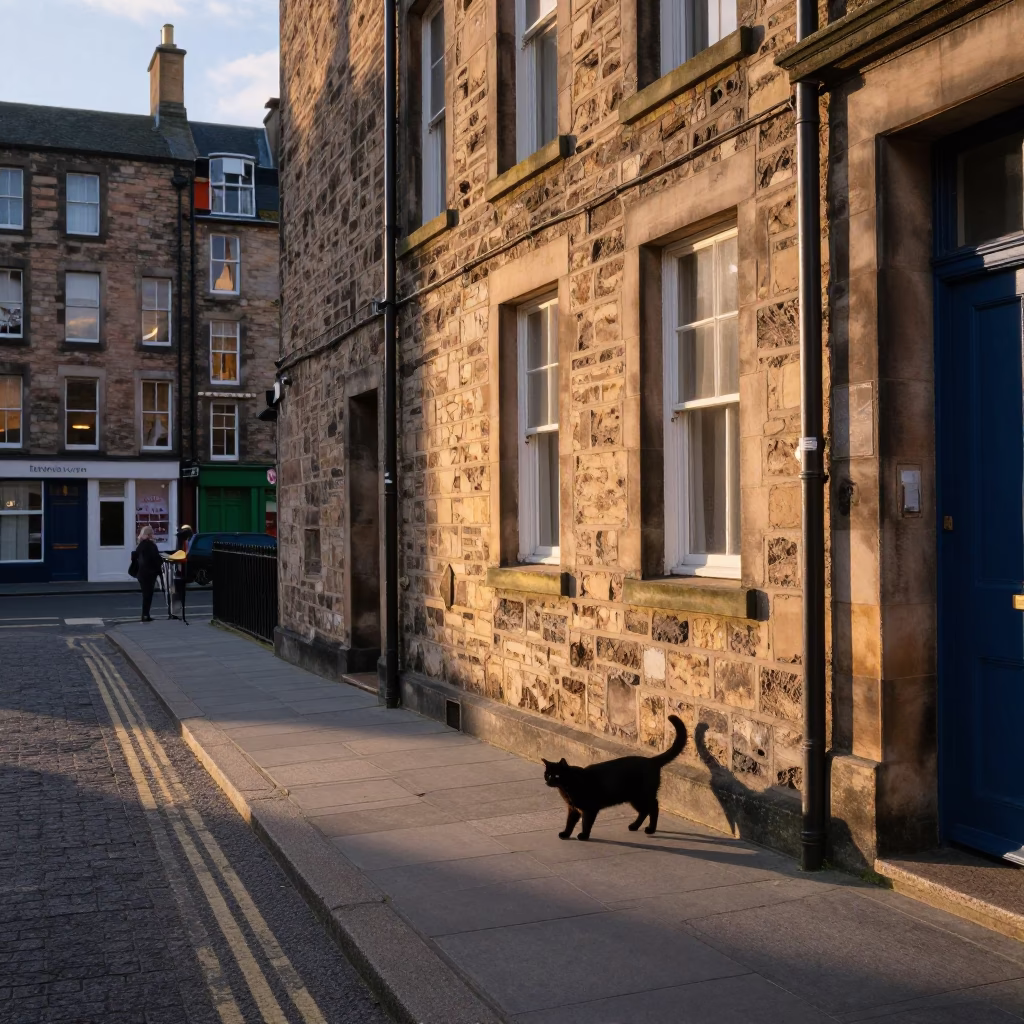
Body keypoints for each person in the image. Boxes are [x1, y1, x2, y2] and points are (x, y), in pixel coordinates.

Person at [135, 525, 163, 622]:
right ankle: (145, 615)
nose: (154, 535)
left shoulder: (140, 544)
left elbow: (134, 556)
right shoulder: (151, 545)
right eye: (152, 533)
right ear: (149, 534)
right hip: (150, 573)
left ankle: (145, 614)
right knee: (148, 595)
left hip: (141, 573)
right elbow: (155, 559)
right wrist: (160, 570)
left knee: (145, 594)